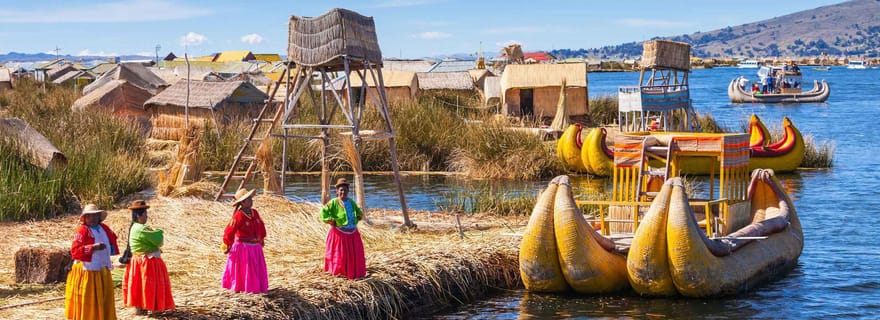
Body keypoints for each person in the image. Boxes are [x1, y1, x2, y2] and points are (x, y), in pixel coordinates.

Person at [64, 204, 119, 320]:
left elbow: (113, 240)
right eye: (89, 216)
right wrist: (92, 248)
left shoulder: (104, 228)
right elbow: (75, 251)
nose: (93, 219)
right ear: (84, 218)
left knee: (103, 297)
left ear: (99, 216)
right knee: (89, 298)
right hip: (87, 270)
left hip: (102, 268)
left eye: (95, 216)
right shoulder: (82, 231)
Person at [122, 200, 175, 315]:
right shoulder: (141, 228)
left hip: (138, 260)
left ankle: (141, 308)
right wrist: (159, 232)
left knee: (139, 285)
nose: (147, 216)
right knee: (148, 285)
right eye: (145, 214)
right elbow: (158, 239)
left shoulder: (135, 227)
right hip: (146, 262)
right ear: (139, 215)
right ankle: (152, 307)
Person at [221, 188, 268, 293]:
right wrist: (228, 244)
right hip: (243, 248)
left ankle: (256, 288)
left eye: (251, 198)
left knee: (255, 268)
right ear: (242, 202)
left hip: (255, 247)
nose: (251, 201)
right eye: (248, 199)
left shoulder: (254, 212)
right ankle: (244, 288)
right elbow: (230, 230)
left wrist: (261, 239)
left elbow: (261, 225)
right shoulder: (239, 215)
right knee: (245, 269)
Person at [320, 178, 366, 279]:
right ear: (337, 191)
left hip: (352, 233)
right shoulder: (333, 203)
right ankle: (340, 273)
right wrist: (331, 220)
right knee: (340, 255)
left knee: (354, 255)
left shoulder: (351, 202)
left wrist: (357, 218)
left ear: (348, 191)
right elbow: (323, 213)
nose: (343, 192)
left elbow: (359, 212)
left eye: (345, 190)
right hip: (339, 234)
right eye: (341, 190)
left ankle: (353, 273)